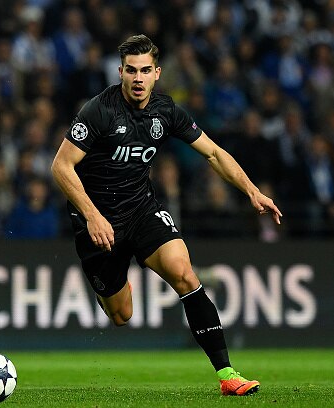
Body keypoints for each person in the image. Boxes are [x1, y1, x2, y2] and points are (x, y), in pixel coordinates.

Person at [51, 34, 282, 396]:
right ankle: (112, 286)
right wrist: (92, 215)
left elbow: (214, 153)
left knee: (184, 273)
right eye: (131, 70)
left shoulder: (167, 111)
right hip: (98, 222)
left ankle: (227, 375)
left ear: (157, 73)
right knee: (121, 315)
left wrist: (252, 191)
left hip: (142, 210)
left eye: (145, 70)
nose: (138, 78)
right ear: (120, 72)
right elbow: (61, 166)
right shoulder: (98, 110)